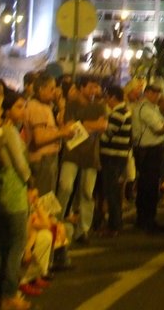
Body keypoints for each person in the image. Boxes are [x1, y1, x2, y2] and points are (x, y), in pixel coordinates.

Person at [0, 91, 34, 310]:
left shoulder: (2, 130)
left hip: (4, 190)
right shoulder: (8, 131)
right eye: (19, 106)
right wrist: (31, 182)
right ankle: (9, 295)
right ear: (8, 110)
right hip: (14, 189)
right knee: (16, 243)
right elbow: (19, 163)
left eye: (24, 106)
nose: (23, 111)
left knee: (3, 243)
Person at [56, 75, 108, 243]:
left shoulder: (100, 107)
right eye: (91, 87)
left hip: (91, 155)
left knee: (86, 192)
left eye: (96, 87)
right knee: (65, 187)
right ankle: (58, 221)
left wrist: (83, 123)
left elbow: (103, 126)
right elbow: (70, 127)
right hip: (71, 152)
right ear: (82, 88)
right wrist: (90, 124)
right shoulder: (71, 105)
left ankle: (83, 230)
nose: (95, 91)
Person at [24, 74, 75, 197]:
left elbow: (61, 125)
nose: (55, 92)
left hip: (48, 159)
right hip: (42, 160)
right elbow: (39, 138)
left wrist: (62, 106)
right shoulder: (36, 107)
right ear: (41, 89)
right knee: (43, 199)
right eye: (51, 89)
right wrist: (62, 132)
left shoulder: (46, 106)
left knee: (48, 197)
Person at [134, 83, 164, 232]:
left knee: (151, 185)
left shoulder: (154, 108)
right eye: (154, 93)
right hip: (148, 150)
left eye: (158, 93)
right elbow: (160, 127)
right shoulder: (145, 109)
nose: (157, 96)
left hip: (155, 149)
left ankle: (148, 218)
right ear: (147, 93)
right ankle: (145, 219)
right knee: (147, 186)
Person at [97, 85, 132, 236]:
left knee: (111, 191)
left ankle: (114, 225)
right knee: (113, 190)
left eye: (107, 98)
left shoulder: (118, 113)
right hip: (118, 155)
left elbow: (107, 134)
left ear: (112, 97)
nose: (106, 101)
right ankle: (115, 223)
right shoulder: (124, 111)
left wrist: (97, 136)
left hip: (113, 156)